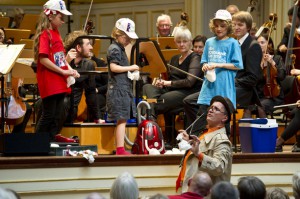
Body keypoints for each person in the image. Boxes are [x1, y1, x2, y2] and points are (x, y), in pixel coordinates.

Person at [143, 26, 202, 146]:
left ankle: (151, 124)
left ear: (190, 42)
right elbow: (169, 79)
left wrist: (168, 83)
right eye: (179, 41)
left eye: (184, 41)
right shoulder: (174, 59)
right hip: (172, 90)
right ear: (175, 42)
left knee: (158, 102)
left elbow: (190, 81)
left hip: (188, 92)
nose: (181, 44)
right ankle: (153, 120)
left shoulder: (195, 57)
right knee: (147, 87)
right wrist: (161, 82)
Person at [33, 0, 80, 141]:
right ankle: (37, 143)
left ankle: (50, 140)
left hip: (59, 80)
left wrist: (70, 70)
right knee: (48, 114)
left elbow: (60, 59)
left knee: (58, 114)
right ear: (51, 16)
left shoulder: (56, 33)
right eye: (61, 17)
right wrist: (63, 72)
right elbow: (43, 59)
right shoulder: (45, 34)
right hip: (50, 81)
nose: (63, 21)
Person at [193, 9, 243, 136]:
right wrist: (205, 66)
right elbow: (204, 61)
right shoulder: (209, 42)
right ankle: (198, 146)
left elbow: (238, 65)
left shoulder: (233, 43)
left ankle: (223, 148)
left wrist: (218, 64)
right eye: (216, 26)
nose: (218, 29)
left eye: (222, 26)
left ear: (229, 27)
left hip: (224, 87)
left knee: (222, 121)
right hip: (209, 87)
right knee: (201, 118)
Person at [176, 96, 234, 192]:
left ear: (225, 118)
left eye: (216, 109)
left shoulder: (221, 140)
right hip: (191, 190)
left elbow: (219, 167)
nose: (211, 110)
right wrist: (189, 141)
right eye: (211, 108)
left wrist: (198, 154)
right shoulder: (206, 132)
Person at [106, 18, 139, 155]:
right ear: (118, 34)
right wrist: (131, 67)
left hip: (122, 88)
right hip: (118, 90)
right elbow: (114, 67)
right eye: (126, 37)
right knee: (121, 119)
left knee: (122, 119)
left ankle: (120, 147)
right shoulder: (114, 48)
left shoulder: (119, 48)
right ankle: (120, 149)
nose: (128, 41)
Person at [64, 30, 104, 123]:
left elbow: (91, 92)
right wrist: (66, 62)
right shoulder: (62, 58)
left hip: (71, 109)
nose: (91, 47)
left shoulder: (88, 65)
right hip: (57, 104)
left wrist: (97, 117)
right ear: (78, 47)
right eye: (88, 44)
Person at [232, 11, 263, 118]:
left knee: (218, 98)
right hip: (235, 86)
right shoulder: (233, 43)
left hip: (246, 91)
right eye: (234, 24)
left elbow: (252, 78)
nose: (236, 27)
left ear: (248, 27)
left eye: (240, 25)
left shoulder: (253, 46)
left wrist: (232, 81)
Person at [255, 33, 286, 117]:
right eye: (258, 43)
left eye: (262, 42)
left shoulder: (277, 58)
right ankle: (248, 129)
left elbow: (282, 76)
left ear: (269, 44)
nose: (259, 45)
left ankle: (265, 128)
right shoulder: (255, 60)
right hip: (259, 95)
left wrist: (272, 62)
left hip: (273, 96)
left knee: (260, 106)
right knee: (247, 107)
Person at [183, 35, 207, 133]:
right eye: (195, 47)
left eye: (200, 47)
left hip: (202, 91)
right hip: (194, 90)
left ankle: (198, 129)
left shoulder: (207, 61)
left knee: (188, 101)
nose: (197, 50)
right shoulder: (193, 59)